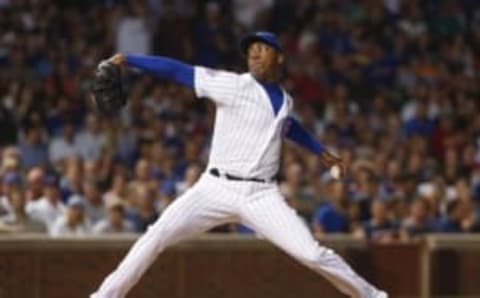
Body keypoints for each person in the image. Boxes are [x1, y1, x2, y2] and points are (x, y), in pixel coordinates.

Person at [91, 32, 387, 298]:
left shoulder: (285, 101)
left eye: (263, 48)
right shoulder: (232, 85)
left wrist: (321, 152)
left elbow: (286, 126)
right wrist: (129, 60)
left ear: (279, 57)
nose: (255, 53)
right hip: (214, 188)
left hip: (262, 195)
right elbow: (178, 71)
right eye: (251, 50)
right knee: (156, 235)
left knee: (312, 254)